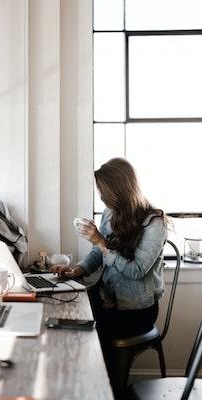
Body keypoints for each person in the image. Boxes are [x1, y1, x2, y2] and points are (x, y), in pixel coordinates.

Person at [50, 157, 168, 397]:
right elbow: (97, 254)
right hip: (108, 299)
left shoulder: (154, 223)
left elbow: (136, 271)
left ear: (120, 190)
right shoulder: (109, 214)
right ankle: (72, 387)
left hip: (136, 311)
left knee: (87, 335)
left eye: (105, 192)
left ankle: (103, 391)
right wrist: (77, 271)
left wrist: (101, 242)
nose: (102, 197)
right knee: (62, 318)